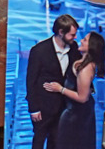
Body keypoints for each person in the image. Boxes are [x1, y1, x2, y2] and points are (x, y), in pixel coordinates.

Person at [46, 31, 105, 149]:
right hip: (75, 112)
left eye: (85, 40)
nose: (81, 40)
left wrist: (60, 89)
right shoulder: (82, 63)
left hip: (77, 115)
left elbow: (82, 97)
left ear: (91, 46)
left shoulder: (86, 68)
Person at [30, 18, 82, 149]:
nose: (75, 37)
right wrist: (34, 108)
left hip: (63, 107)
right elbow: (31, 81)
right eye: (72, 34)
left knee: (56, 141)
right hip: (43, 107)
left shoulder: (74, 47)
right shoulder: (39, 51)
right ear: (61, 32)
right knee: (39, 141)